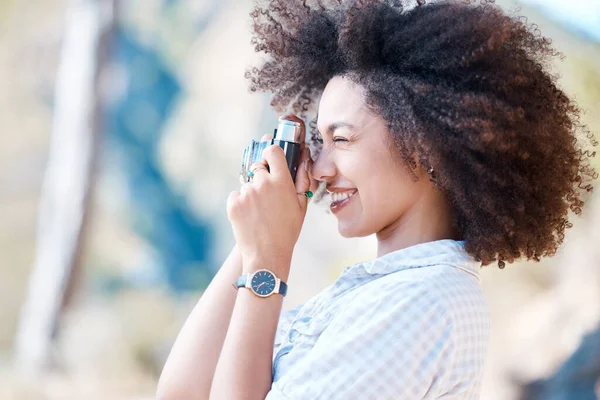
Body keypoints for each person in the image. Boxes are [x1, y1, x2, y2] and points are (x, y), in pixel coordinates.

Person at [156, 0, 598, 399]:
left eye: (341, 138)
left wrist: (267, 265)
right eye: (318, 141)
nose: (322, 169)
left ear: (423, 146)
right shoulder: (377, 294)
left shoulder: (423, 302)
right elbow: (181, 394)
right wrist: (253, 245)